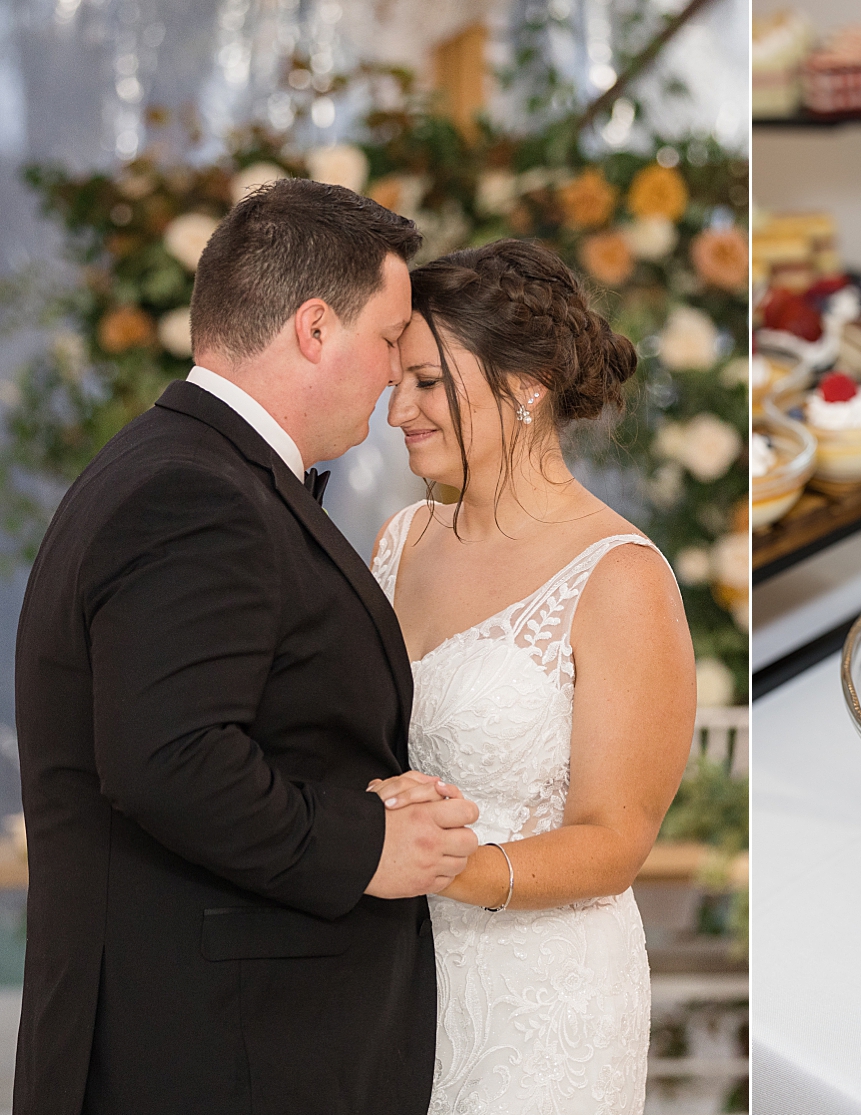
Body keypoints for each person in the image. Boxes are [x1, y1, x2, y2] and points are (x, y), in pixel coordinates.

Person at [13, 178, 481, 1115]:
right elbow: (169, 758)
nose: (397, 373)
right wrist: (367, 843)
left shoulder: (179, 465)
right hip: (207, 1052)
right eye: (390, 339)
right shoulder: (197, 494)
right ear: (315, 328)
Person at [367, 238, 697, 1113]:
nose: (399, 409)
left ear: (526, 386)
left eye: (428, 383)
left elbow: (617, 836)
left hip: (547, 1008)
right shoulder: (398, 544)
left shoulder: (621, 574)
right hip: (393, 990)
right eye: (395, 380)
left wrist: (445, 865)